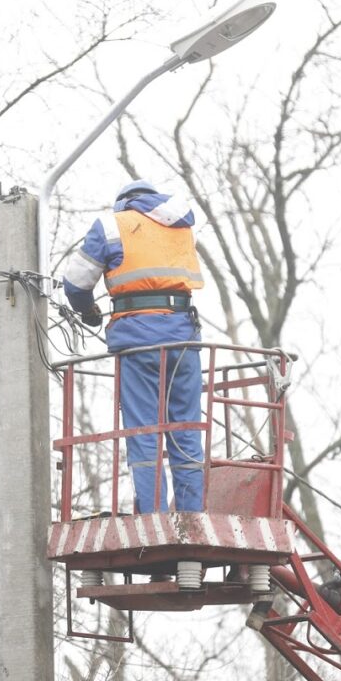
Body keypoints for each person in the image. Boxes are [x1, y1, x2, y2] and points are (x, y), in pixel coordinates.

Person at [62, 179, 205, 514]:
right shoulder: (181, 224)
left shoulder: (113, 225)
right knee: (186, 429)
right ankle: (191, 515)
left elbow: (75, 284)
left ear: (122, 203)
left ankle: (152, 516)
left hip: (139, 343)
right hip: (184, 340)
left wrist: (88, 311)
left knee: (144, 430)